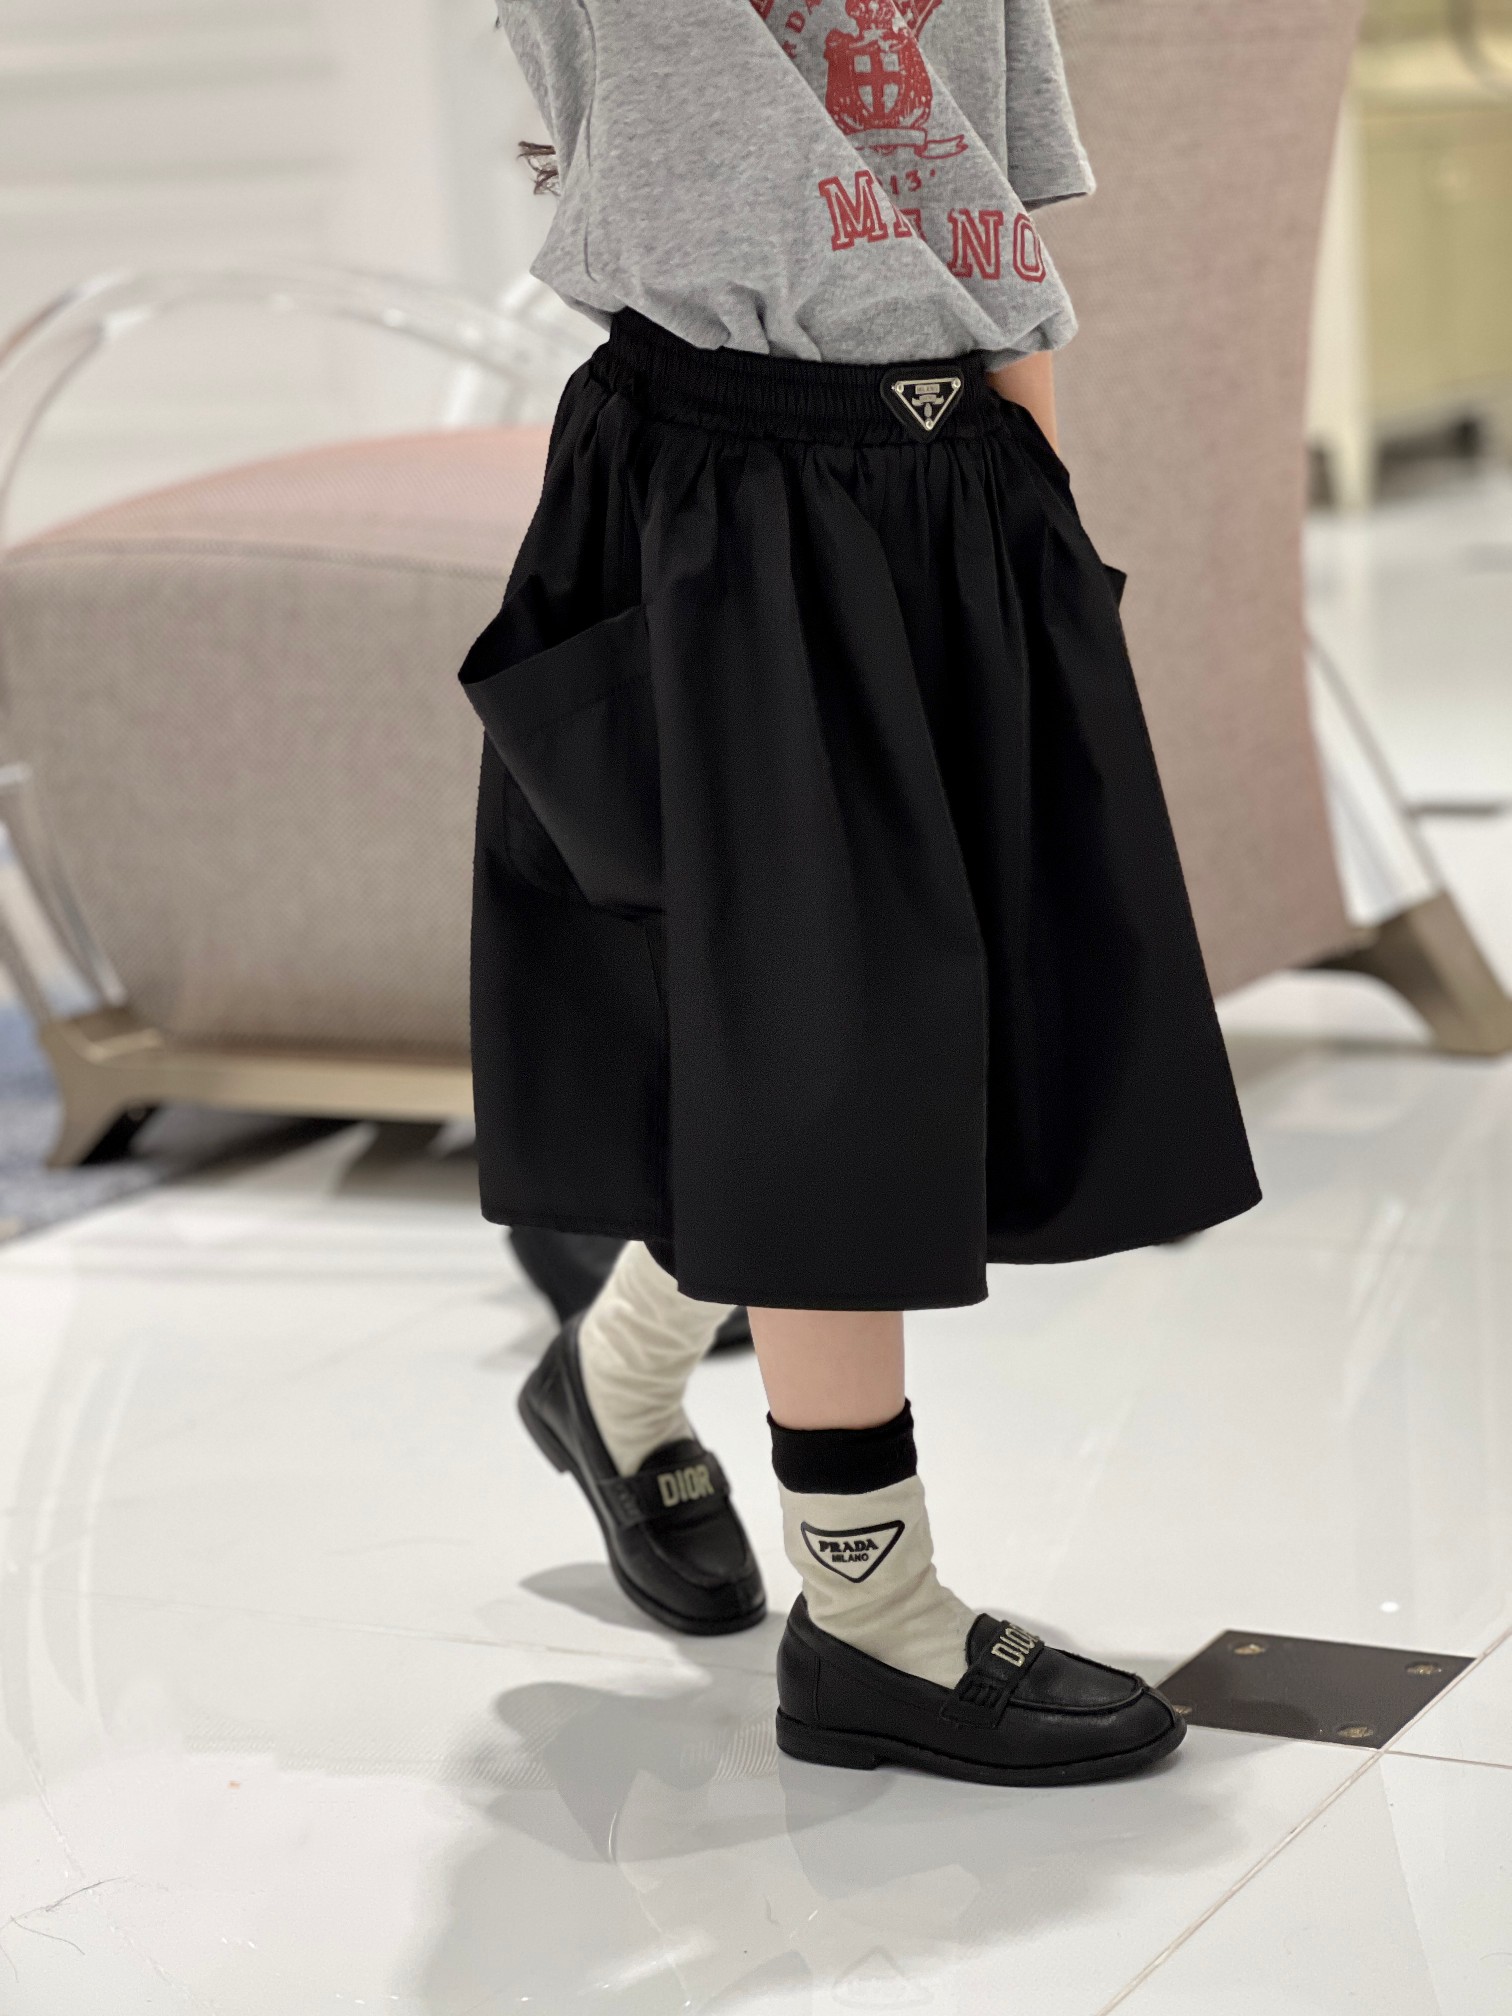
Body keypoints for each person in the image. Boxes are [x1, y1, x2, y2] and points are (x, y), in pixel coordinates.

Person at [462, 0, 1261, 1786]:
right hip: (723, 482)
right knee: (824, 1057)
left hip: (958, 463)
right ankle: (870, 1615)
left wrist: (1031, 494)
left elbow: (986, 188)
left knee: (911, 1037)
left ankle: (618, 1373)